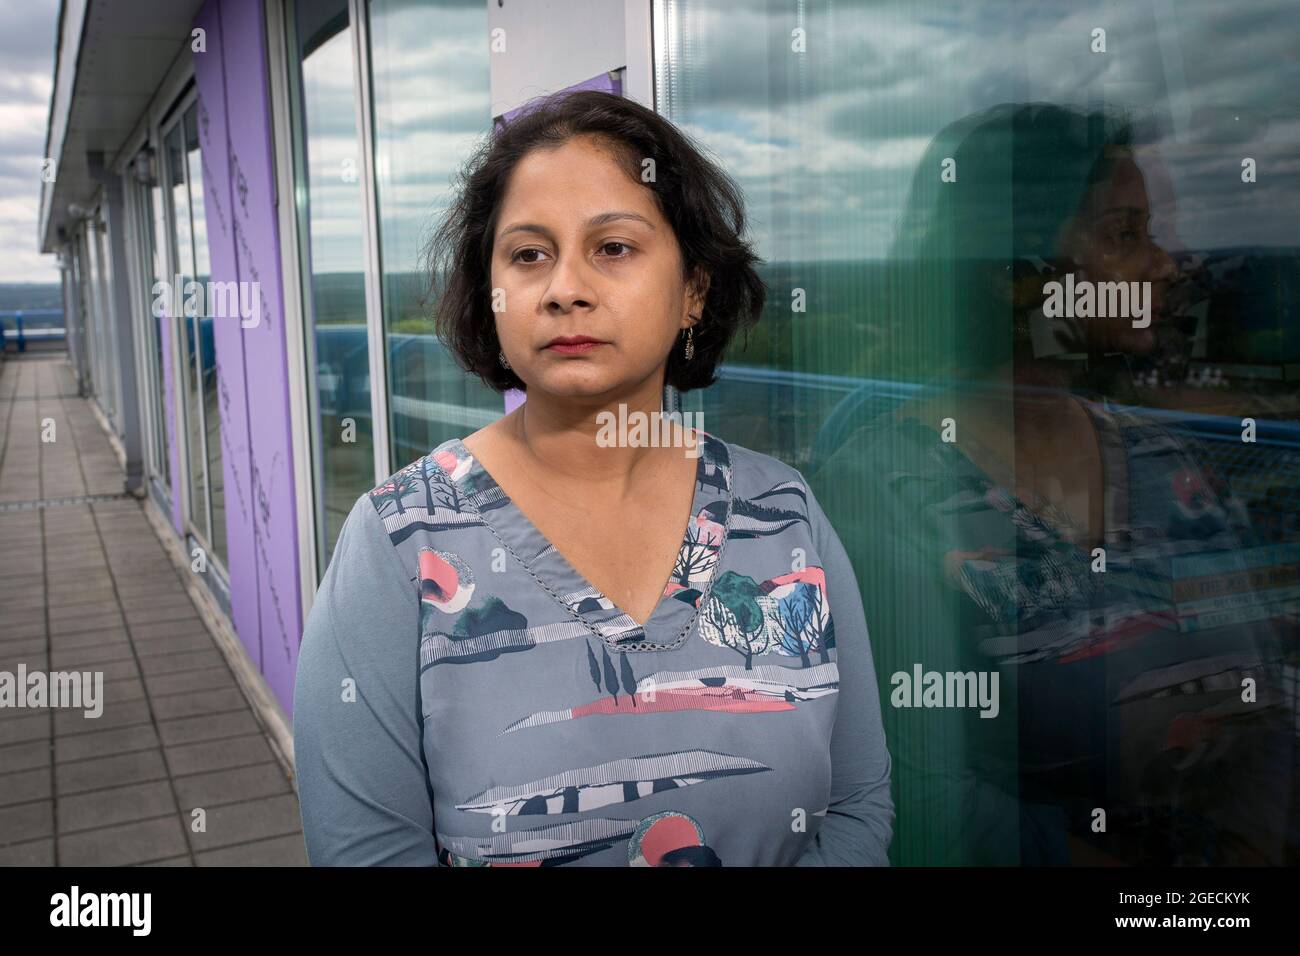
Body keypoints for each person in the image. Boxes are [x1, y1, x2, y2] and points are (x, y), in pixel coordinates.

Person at [293, 89, 894, 866]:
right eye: (528, 254)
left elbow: (854, 804)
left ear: (694, 290)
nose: (564, 287)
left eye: (613, 247)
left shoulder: (783, 514)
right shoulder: (401, 541)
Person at [810, 102, 1295, 865]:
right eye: (1124, 234)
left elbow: (1270, 690)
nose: (1165, 264)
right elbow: (923, 797)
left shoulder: (1163, 458)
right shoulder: (881, 490)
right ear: (1015, 276)